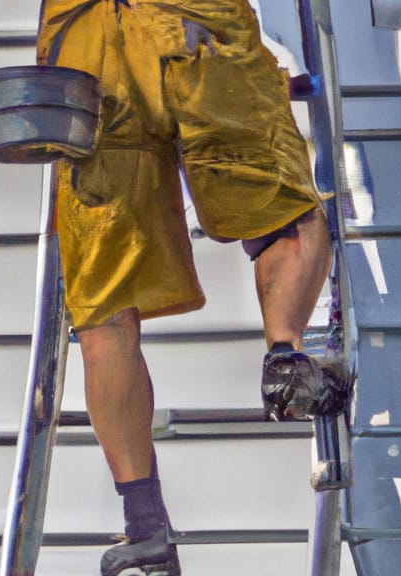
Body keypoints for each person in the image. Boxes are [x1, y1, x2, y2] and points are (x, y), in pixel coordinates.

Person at [36, 1, 333, 574]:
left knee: (105, 303)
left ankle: (144, 524)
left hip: (87, 37)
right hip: (199, 22)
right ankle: (285, 355)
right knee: (283, 210)